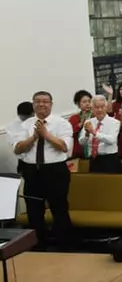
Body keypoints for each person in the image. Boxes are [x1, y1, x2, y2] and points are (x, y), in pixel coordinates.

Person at [13, 91, 73, 249]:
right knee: (34, 212)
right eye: (38, 101)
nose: (41, 104)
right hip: (32, 171)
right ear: (33, 105)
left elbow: (64, 147)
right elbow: (18, 149)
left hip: (55, 171)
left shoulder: (62, 123)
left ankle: (65, 245)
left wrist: (46, 135)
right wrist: (33, 137)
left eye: (45, 101)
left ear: (51, 104)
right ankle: (38, 246)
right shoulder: (25, 125)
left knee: (59, 209)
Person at [79, 95, 122, 173]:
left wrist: (94, 132)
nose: (99, 109)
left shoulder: (115, 122)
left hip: (110, 160)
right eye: (96, 107)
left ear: (106, 107)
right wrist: (87, 134)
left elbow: (111, 140)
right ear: (92, 109)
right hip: (94, 159)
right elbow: (81, 142)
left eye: (102, 107)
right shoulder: (88, 122)